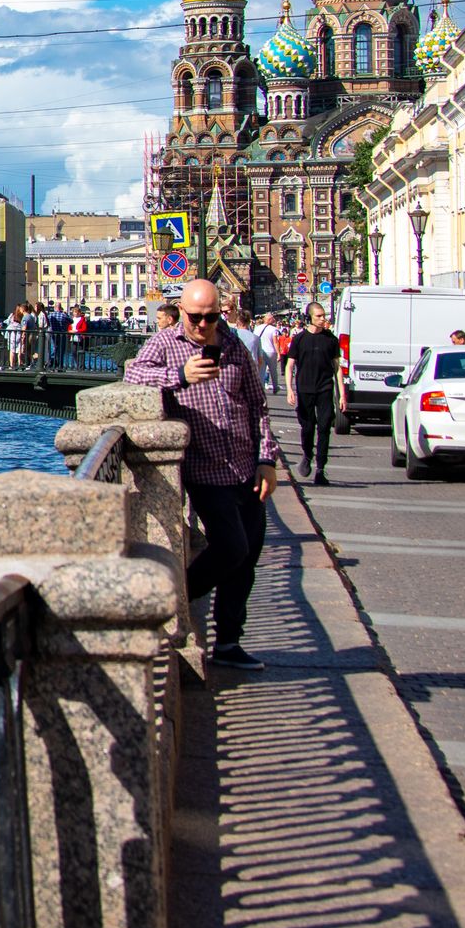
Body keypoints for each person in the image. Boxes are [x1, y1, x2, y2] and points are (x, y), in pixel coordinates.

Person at [124, 279, 281, 672]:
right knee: (232, 548)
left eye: (212, 317)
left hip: (245, 466)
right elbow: (133, 379)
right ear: (183, 311)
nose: (203, 325)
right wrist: (180, 375)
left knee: (247, 558)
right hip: (204, 468)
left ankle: (228, 642)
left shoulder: (232, 346)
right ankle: (174, 602)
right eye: (196, 317)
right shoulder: (165, 343)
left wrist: (268, 460)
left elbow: (256, 405)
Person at [284, 301, 345, 486]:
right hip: (305, 389)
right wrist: (289, 389)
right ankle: (307, 455)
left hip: (325, 388)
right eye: (318, 315)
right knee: (308, 427)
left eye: (323, 315)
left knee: (325, 426)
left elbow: (337, 367)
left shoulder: (330, 339)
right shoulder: (300, 339)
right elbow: (290, 365)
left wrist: (342, 394)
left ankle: (320, 468)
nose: (322, 318)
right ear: (309, 317)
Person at [256, 313, 283, 394]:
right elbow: (275, 342)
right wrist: (278, 353)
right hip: (271, 351)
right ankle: (275, 387)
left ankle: (261, 388)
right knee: (273, 370)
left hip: (260, 351)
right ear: (270, 320)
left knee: (261, 370)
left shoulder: (257, 328)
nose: (274, 320)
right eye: (273, 319)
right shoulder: (273, 329)